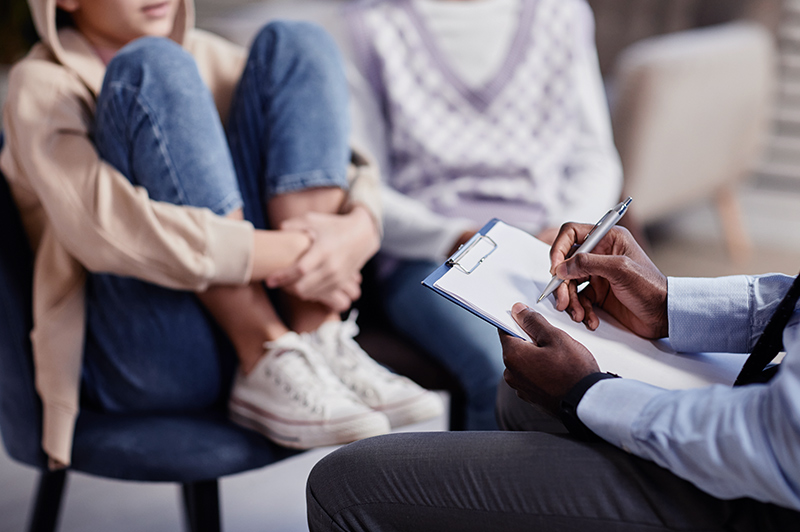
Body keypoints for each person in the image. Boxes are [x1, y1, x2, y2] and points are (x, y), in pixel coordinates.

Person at [0, 0, 442, 467]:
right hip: (147, 350)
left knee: (298, 42)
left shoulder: (210, 53)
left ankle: (318, 335)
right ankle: (262, 349)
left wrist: (359, 228)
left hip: (274, 322)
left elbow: (347, 160)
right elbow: (105, 232)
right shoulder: (41, 86)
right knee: (153, 64)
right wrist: (305, 251)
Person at [306, 222, 800, 531]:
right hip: (771, 407)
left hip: (771, 499)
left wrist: (588, 392)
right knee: (517, 395)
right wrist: (669, 305)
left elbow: (778, 443)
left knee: (345, 486)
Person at [342, 0, 623, 430]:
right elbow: (364, 183)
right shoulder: (368, 25)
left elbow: (595, 157)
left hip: (545, 246)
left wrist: (564, 228)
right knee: (510, 373)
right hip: (432, 255)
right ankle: (487, 496)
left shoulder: (560, 13)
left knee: (611, 371)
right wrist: (452, 235)